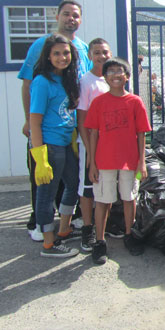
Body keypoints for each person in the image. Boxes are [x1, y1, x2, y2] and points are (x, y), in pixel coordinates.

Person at [18, 0, 92, 241]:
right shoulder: (42, 46)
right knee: (43, 182)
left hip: (68, 129)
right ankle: (39, 225)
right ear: (57, 16)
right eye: (67, 14)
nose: (71, 18)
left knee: (72, 180)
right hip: (46, 131)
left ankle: (65, 224)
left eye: (76, 15)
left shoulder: (81, 48)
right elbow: (28, 84)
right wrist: (30, 122)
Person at [85, 58, 151, 264]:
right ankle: (99, 241)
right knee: (103, 200)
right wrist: (92, 163)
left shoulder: (135, 102)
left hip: (129, 161)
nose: (115, 75)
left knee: (129, 198)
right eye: (110, 71)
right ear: (105, 77)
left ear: (127, 77)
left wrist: (142, 163)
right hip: (104, 161)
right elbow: (93, 134)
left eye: (119, 71)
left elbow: (142, 134)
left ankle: (129, 235)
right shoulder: (98, 102)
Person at [29, 34, 81, 258]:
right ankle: (49, 243)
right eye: (57, 53)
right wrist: (40, 159)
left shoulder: (68, 80)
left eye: (66, 53)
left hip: (65, 143)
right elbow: (34, 122)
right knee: (47, 193)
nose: (62, 57)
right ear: (48, 57)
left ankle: (64, 228)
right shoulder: (42, 81)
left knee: (74, 183)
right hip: (50, 146)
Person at [76, 38, 112, 252]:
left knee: (106, 186)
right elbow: (81, 121)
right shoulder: (85, 82)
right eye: (97, 52)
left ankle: (105, 226)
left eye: (105, 52)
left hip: (110, 144)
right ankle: (87, 230)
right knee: (88, 188)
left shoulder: (113, 79)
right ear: (90, 56)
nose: (101, 56)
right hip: (90, 143)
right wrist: (89, 151)